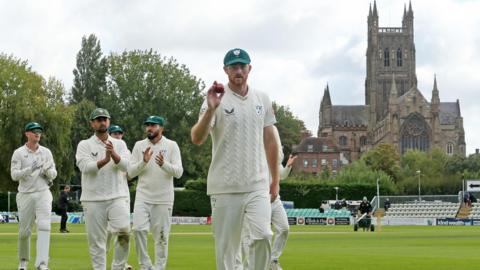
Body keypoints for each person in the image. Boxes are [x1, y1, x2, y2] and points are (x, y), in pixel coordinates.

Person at [191, 48, 280, 270]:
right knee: (227, 252)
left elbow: (270, 141)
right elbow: (197, 138)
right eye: (233, 66)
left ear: (250, 68)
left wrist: (275, 180)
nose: (238, 70)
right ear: (225, 70)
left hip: (257, 185)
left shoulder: (262, 98)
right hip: (225, 187)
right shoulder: (215, 99)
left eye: (242, 66)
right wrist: (211, 110)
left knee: (263, 237)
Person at [76, 108, 131, 270]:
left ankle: (118, 267)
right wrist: (105, 160)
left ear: (109, 121)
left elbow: (127, 166)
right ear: (92, 123)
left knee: (124, 232)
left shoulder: (120, 144)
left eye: (104, 119)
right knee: (97, 243)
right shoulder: (84, 145)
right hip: (93, 199)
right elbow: (85, 167)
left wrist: (113, 154)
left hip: (117, 196)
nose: (102, 122)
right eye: (98, 119)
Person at [237, 126, 297, 270]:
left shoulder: (274, 137)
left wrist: (287, 166)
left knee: (284, 229)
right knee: (251, 240)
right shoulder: (253, 141)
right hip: (256, 197)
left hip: (274, 198)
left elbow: (280, 174)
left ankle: (273, 259)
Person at [128, 115, 183, 270]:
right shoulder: (139, 145)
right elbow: (131, 172)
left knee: (161, 237)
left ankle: (159, 267)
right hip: (143, 197)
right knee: (138, 229)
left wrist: (164, 164)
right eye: (147, 125)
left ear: (161, 128)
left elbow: (178, 172)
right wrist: (143, 162)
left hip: (163, 199)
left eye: (153, 125)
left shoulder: (172, 145)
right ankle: (145, 265)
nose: (149, 128)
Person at [11, 122, 57, 270]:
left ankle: (42, 264)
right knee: (24, 231)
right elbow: (14, 175)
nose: (37, 133)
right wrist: (30, 169)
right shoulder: (19, 153)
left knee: (44, 225)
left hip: (43, 192)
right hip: (25, 194)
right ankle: (23, 261)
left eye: (39, 131)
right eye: (34, 131)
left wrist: (47, 172)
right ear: (27, 134)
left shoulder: (46, 152)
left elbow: (54, 173)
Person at [107, 124, 133, 270]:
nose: (117, 136)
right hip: (106, 197)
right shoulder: (103, 148)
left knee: (123, 231)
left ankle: (121, 264)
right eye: (114, 133)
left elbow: (129, 172)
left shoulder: (126, 151)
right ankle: (100, 264)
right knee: (107, 234)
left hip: (123, 194)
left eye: (119, 133)